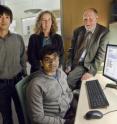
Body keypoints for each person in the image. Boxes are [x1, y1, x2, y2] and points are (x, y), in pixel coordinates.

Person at [26, 45, 78, 124]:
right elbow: (37, 118)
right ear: (41, 63)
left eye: (55, 58)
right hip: (57, 120)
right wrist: (66, 122)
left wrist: (77, 107)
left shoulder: (61, 73)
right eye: (47, 60)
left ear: (58, 59)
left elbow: (68, 92)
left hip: (68, 112)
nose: (52, 62)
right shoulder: (36, 85)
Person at [65, 8, 109, 90]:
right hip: (75, 62)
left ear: (96, 18)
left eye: (91, 19)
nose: (87, 22)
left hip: (88, 65)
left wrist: (91, 72)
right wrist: (68, 64)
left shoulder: (103, 32)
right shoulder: (77, 31)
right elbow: (71, 50)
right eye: (85, 19)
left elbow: (101, 55)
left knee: (69, 80)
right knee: (63, 79)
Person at [0, 5, 26, 124]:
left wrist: (25, 76)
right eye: (0, 17)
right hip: (1, 85)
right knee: (6, 116)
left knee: (22, 112)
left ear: (10, 20)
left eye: (7, 17)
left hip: (18, 81)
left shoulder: (18, 38)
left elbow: (23, 58)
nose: (3, 20)